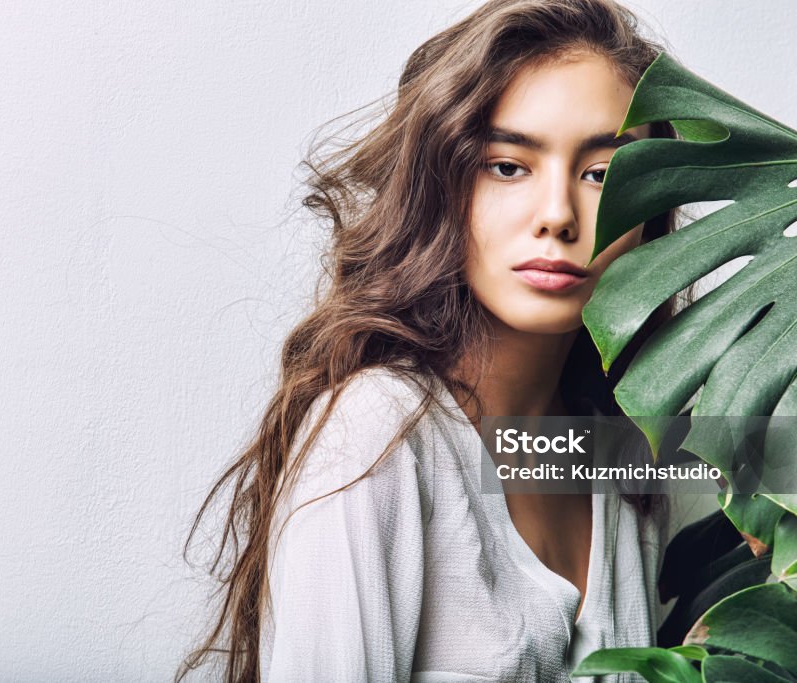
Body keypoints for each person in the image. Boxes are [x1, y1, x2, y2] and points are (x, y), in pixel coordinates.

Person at [179, 0, 681, 680]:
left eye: (602, 174)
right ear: (441, 185)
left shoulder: (615, 457)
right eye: (508, 165)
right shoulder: (377, 433)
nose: (558, 215)